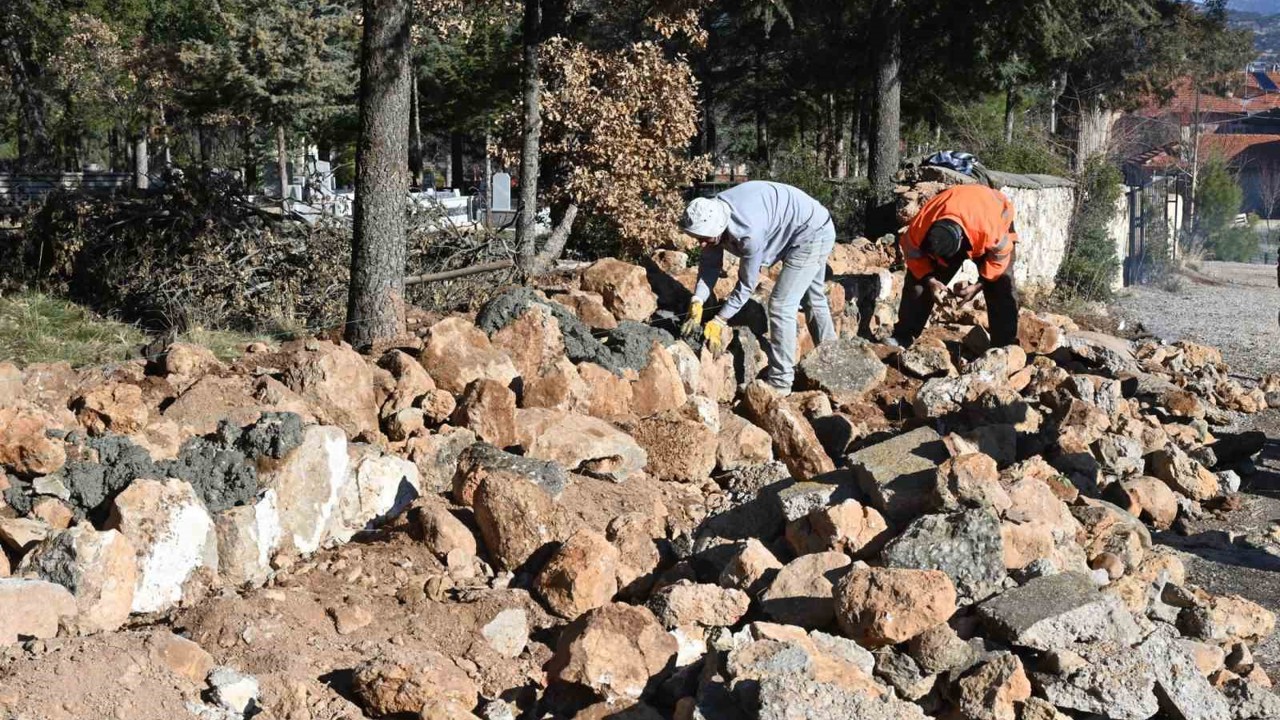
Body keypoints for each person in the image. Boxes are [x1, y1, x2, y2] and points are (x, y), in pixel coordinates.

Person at [679, 181, 837, 393]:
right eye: (697, 238)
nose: (701, 244)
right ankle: (834, 364)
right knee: (813, 297)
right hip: (806, 223)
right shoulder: (712, 213)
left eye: (704, 238)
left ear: (718, 228)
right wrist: (697, 299)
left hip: (812, 233)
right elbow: (709, 265)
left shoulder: (748, 233)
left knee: (781, 305)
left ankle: (780, 384)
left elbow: (747, 285)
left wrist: (719, 320)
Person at [892, 184, 1020, 348]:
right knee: (918, 282)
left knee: (1001, 283)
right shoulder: (919, 227)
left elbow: (1000, 257)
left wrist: (981, 283)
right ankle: (903, 336)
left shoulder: (990, 231)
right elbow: (913, 255)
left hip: (993, 213)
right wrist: (929, 279)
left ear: (962, 244)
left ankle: (1005, 347)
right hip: (958, 209)